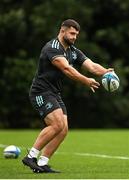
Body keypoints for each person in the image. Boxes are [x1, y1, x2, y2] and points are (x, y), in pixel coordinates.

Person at [22, 19, 113, 173]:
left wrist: (105, 71)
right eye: (72, 33)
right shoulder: (52, 48)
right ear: (62, 31)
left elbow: (91, 66)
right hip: (41, 91)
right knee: (57, 124)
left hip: (54, 93)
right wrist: (86, 81)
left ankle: (42, 164)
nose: (74, 37)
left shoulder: (72, 51)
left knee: (63, 129)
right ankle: (31, 156)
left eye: (76, 34)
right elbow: (66, 69)